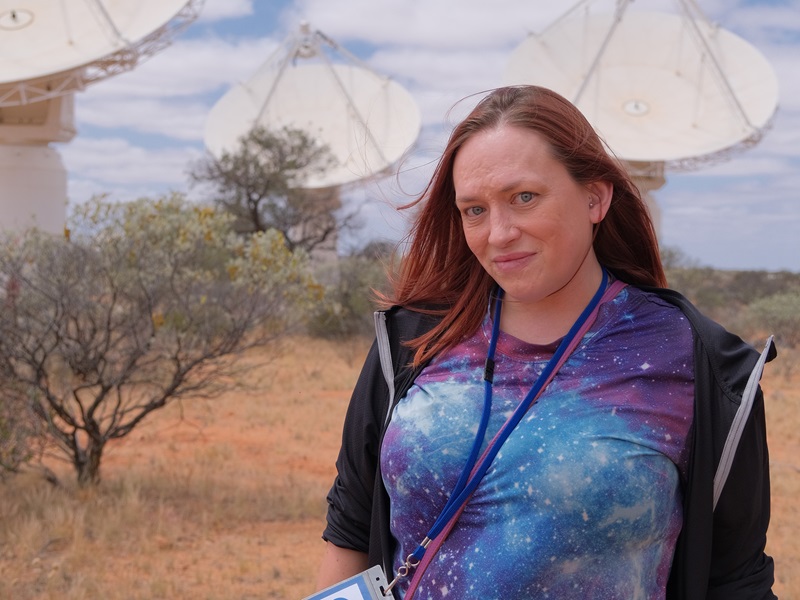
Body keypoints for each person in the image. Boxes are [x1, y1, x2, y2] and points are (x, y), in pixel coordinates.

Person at [315, 85, 777, 599]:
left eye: (524, 198)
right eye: (474, 210)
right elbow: (353, 527)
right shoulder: (411, 343)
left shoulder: (698, 364)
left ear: (595, 198)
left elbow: (736, 580)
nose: (499, 233)